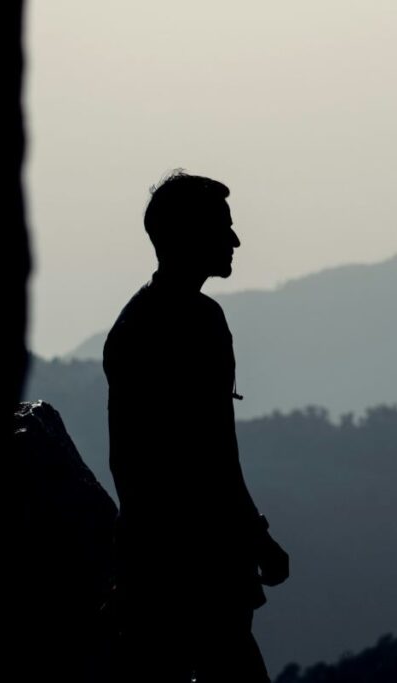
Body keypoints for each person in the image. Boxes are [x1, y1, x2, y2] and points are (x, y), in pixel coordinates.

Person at [103, 171, 289, 682]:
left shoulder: (139, 323)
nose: (234, 240)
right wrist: (256, 537)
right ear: (189, 235)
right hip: (196, 566)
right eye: (222, 228)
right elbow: (211, 452)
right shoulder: (195, 323)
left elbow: (136, 461)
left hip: (157, 565)